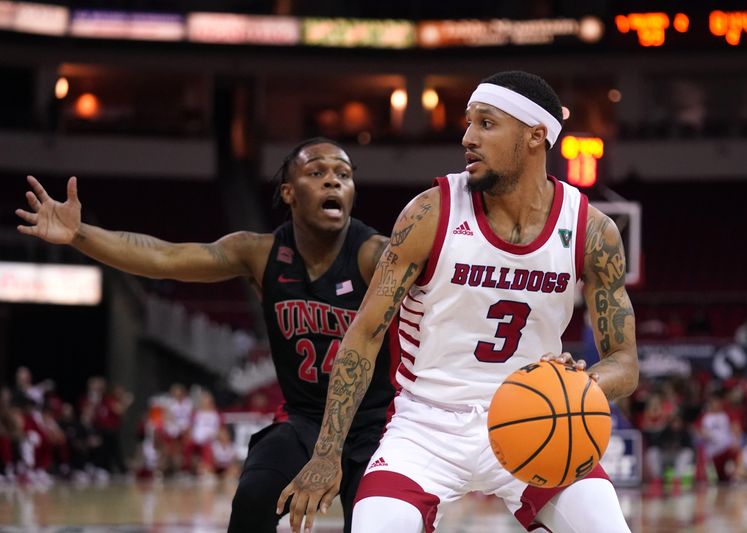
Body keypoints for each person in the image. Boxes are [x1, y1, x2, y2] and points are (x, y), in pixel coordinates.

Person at [278, 71, 639, 533]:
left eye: (486, 124)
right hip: (426, 425)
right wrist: (326, 453)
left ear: (535, 135)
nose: (467, 137)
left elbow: (624, 361)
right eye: (468, 123)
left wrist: (583, 387)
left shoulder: (592, 231)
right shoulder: (430, 213)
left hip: (536, 417)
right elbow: (365, 334)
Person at [15, 137, 395, 532]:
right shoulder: (260, 253)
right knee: (252, 497)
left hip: (375, 424)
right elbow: (165, 257)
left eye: (344, 175)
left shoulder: (374, 255)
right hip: (304, 421)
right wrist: (81, 235)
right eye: (317, 172)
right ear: (288, 192)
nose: (333, 182)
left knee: (376, 521)